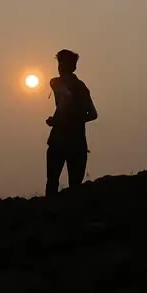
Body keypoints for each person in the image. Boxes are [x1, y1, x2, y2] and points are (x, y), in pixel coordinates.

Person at [45, 48, 97, 195]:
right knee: (75, 188)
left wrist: (56, 120)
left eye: (62, 64)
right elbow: (93, 114)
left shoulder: (55, 82)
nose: (60, 67)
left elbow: (65, 97)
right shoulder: (82, 87)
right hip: (78, 141)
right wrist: (77, 120)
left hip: (59, 140)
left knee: (52, 183)